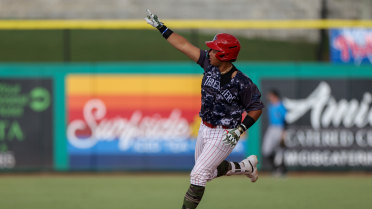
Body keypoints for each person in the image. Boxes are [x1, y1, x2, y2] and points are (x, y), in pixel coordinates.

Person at [145, 10, 264, 209]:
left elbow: (256, 108)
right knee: (207, 173)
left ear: (224, 55)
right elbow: (183, 45)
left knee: (198, 174)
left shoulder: (242, 83)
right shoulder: (209, 64)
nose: (209, 52)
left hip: (225, 133)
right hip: (205, 128)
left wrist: (240, 130)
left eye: (214, 50)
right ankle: (245, 166)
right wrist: (161, 27)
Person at [262, 89, 287, 175]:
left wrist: (284, 133)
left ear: (274, 96)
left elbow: (286, 120)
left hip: (280, 128)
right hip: (271, 128)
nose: (269, 97)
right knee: (266, 150)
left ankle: (280, 171)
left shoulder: (281, 106)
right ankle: (275, 168)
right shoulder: (270, 106)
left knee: (280, 151)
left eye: (270, 95)